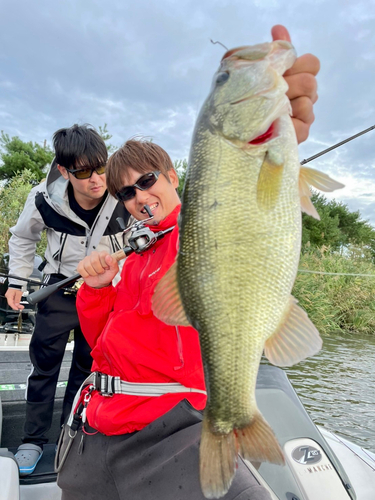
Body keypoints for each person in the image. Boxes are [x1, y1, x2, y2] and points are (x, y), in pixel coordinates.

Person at [57, 25, 319, 500]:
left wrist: (281, 143)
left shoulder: (191, 236)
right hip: (95, 431)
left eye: (148, 180)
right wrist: (96, 291)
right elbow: (100, 344)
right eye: (126, 193)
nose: (139, 196)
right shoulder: (133, 257)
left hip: (171, 431)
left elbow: (244, 206)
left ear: (175, 176)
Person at [5, 124, 131, 475]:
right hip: (58, 289)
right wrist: (16, 280)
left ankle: (70, 433)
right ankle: (32, 439)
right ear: (64, 170)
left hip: (103, 292)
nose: (96, 180)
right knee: (44, 365)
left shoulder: (124, 194)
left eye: (101, 167)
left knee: (88, 368)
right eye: (83, 171)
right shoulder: (42, 198)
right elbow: (22, 239)